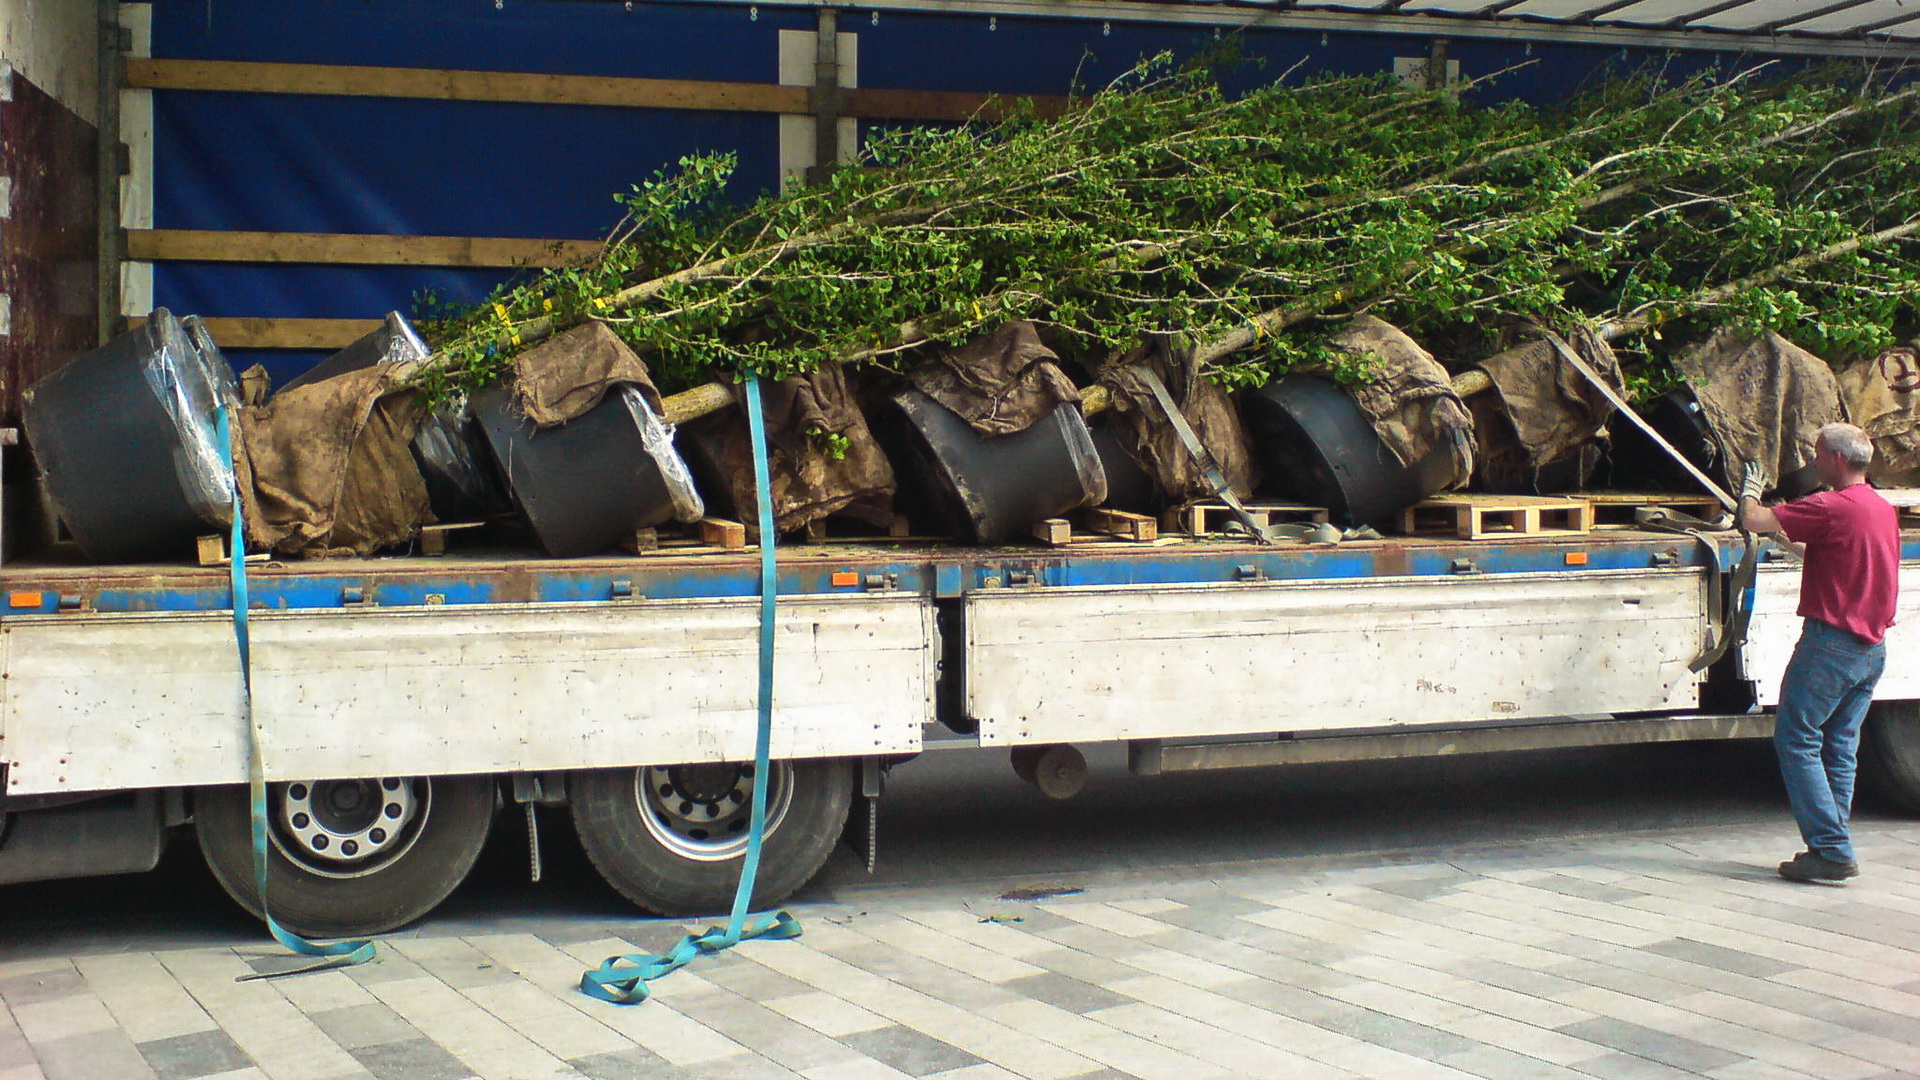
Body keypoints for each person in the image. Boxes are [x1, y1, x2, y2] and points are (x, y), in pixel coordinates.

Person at [1739, 422, 1900, 883]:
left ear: (1835, 459)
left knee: (1797, 739)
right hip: (1871, 648)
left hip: (1831, 646)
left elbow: (1753, 519)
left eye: (1816, 455)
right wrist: (1783, 538)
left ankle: (1830, 850)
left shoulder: (1830, 505)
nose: (1812, 464)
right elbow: (1832, 550)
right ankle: (1833, 843)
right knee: (1840, 746)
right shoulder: (1877, 508)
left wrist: (1749, 493)